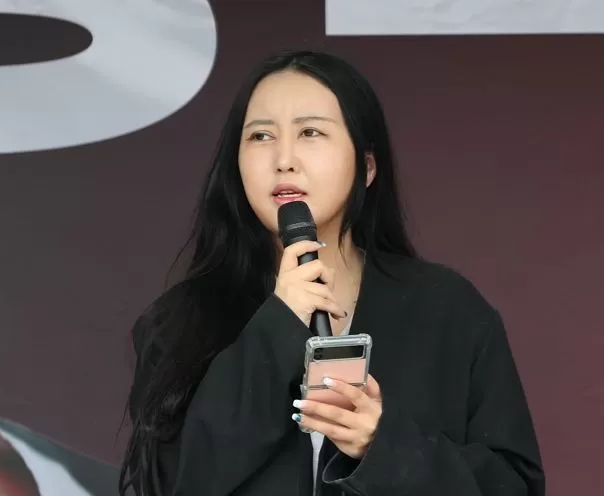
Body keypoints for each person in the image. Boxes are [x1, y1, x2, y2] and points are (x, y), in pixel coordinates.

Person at [119, 50, 545, 496]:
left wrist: (383, 448)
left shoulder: (448, 310)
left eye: (310, 132)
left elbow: (515, 486)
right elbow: (172, 483)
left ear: (367, 166)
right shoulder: (179, 321)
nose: (284, 159)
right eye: (261, 136)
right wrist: (278, 326)